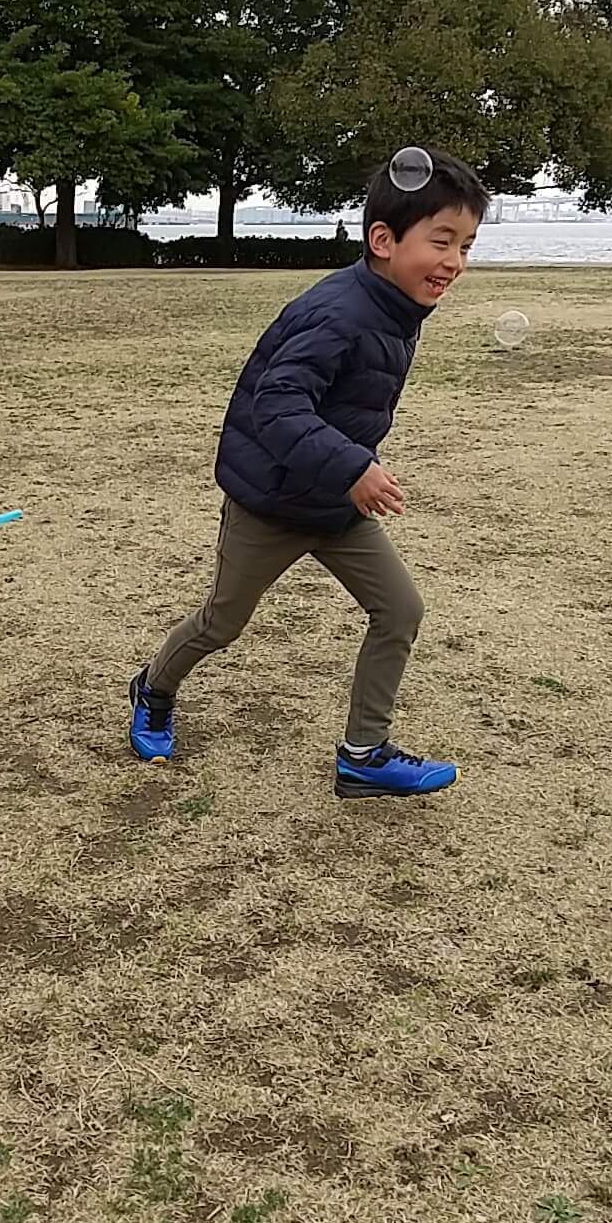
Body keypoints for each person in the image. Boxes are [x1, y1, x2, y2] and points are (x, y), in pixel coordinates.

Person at [127, 149, 489, 799]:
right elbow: (278, 403)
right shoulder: (339, 311)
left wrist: (349, 470)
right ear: (383, 240)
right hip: (271, 503)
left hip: (334, 504)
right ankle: (152, 690)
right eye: (441, 242)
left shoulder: (395, 307)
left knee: (400, 609)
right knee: (221, 623)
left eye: (465, 244)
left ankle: (363, 755)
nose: (455, 262)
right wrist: (354, 465)